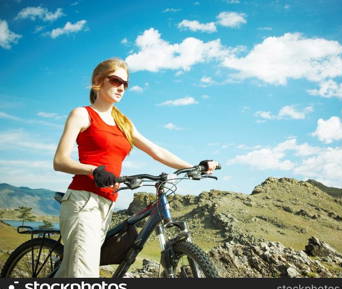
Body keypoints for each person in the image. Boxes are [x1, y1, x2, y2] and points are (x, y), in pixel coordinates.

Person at [53, 57, 218, 277]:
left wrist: (194, 166)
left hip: (106, 205)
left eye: (125, 84)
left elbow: (156, 151)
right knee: (84, 275)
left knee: (71, 272)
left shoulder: (124, 123)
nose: (121, 87)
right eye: (115, 81)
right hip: (83, 202)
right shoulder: (82, 114)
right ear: (98, 81)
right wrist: (92, 170)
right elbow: (60, 160)